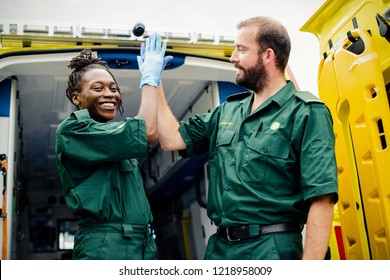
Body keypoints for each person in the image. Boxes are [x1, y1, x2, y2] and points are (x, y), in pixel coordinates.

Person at [157, 17, 338, 260]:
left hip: (270, 250)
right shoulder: (227, 112)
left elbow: (322, 199)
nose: (232, 57)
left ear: (268, 56)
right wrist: (153, 81)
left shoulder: (305, 112)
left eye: (241, 49)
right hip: (220, 249)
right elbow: (172, 139)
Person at [55, 33, 170, 259]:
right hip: (107, 247)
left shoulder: (114, 140)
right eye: (98, 88)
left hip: (141, 243)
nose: (110, 94)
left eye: (113, 88)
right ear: (76, 97)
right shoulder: (73, 131)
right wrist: (149, 80)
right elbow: (147, 132)